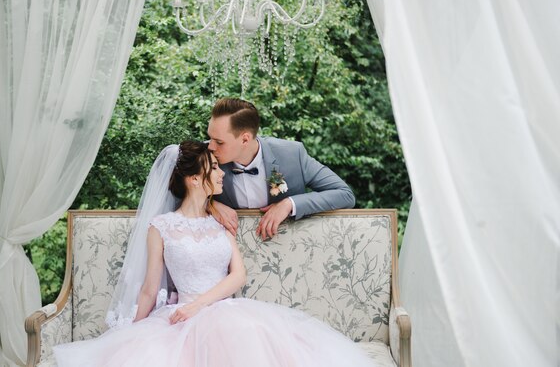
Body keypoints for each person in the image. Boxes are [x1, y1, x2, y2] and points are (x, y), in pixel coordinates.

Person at [53, 141, 373, 367]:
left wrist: (198, 305)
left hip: (224, 311)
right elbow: (150, 288)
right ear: (194, 179)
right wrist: (129, 332)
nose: (222, 173)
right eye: (214, 168)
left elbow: (239, 274)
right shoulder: (161, 226)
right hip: (179, 320)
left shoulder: (219, 220)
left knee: (252, 341)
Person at [208, 98, 355, 239]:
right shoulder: (204, 156)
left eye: (219, 142)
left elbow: (345, 194)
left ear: (245, 139)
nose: (210, 146)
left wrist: (289, 203)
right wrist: (210, 205)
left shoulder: (292, 155)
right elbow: (184, 196)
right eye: (210, 138)